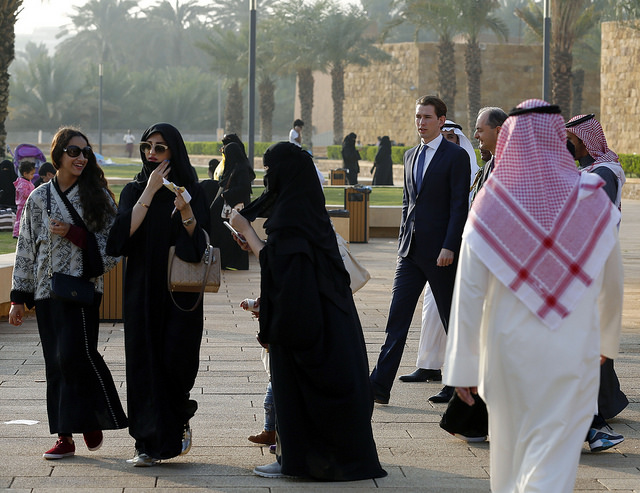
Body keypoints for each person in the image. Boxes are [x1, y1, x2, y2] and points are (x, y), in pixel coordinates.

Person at [444, 99, 624, 493]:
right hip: (571, 350)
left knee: (508, 459)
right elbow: (613, 284)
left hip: (504, 355)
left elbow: (469, 293)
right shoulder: (593, 198)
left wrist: (462, 366)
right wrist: (606, 345)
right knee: (554, 461)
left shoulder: (489, 205)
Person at [229, 142, 386, 481]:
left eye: (271, 173)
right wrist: (257, 244)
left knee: (297, 393)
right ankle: (294, 457)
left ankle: (295, 461)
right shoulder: (305, 213)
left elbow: (281, 266)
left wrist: (247, 232)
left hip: (307, 331)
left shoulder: (292, 219)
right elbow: (290, 264)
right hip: (330, 328)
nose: (267, 180)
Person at [9, 127, 127, 459]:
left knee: (78, 355)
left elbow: (114, 245)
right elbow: (25, 249)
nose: (81, 158)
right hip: (46, 293)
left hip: (81, 289)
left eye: (86, 153)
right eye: (74, 152)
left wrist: (76, 234)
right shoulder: (38, 198)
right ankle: (65, 436)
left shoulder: (97, 196)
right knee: (55, 364)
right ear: (58, 153)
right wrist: (18, 297)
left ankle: (92, 418)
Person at [106, 122, 209, 466]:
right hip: (141, 290)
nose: (152, 154)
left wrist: (186, 212)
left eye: (160, 148)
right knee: (143, 363)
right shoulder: (135, 190)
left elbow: (199, 248)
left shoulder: (192, 189)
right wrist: (149, 191)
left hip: (180, 294)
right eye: (148, 147)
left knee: (176, 361)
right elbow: (119, 239)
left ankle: (178, 419)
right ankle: (145, 443)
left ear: (174, 151)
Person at [369, 95, 470, 405]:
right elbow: (407, 202)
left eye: (427, 117)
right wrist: (402, 240)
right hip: (409, 253)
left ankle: (458, 383)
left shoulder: (455, 157)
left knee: (452, 321)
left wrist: (449, 246)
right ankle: (378, 386)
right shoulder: (410, 155)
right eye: (417, 117)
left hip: (441, 255)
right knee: (396, 320)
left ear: (441, 120)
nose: (421, 123)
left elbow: (458, 207)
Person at [400, 120, 478, 386]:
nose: (446, 142)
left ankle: (461, 379)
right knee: (431, 310)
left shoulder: (471, 169)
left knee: (454, 314)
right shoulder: (423, 160)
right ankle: (429, 364)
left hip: (460, 251)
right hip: (430, 251)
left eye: (451, 138)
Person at [566, 113, 628, 452]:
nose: (567, 145)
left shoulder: (606, 171)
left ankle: (597, 415)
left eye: (570, 139)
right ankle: (604, 406)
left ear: (583, 139)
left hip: (598, 264)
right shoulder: (584, 171)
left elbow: (590, 216)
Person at [210, 141, 255, 270]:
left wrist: (226, 194)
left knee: (235, 237)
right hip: (229, 211)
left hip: (235, 209)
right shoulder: (235, 167)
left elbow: (243, 188)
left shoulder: (241, 169)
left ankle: (234, 263)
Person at [470, 107, 508, 203]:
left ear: (498, 131)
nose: (475, 135)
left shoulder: (515, 165)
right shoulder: (487, 167)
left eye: (480, 130)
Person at [13, 161, 36, 237]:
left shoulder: (28, 182)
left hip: (28, 204)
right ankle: (16, 233)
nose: (33, 176)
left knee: (27, 219)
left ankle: (25, 232)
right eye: (31, 174)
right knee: (20, 219)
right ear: (25, 173)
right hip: (22, 205)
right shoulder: (22, 183)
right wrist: (33, 192)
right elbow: (24, 194)